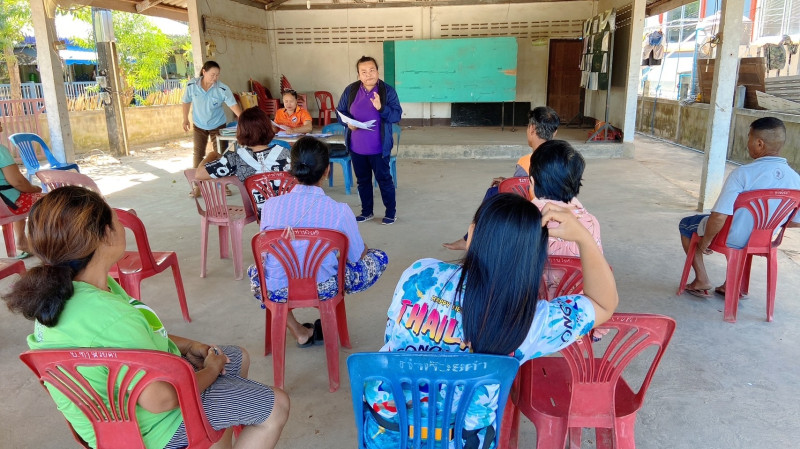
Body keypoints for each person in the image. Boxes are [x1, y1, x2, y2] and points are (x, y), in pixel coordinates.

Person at [3, 186, 289, 449]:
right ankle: (205, 428)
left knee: (235, 357)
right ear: (105, 235)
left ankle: (214, 433)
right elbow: (161, 399)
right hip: (149, 429)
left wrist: (188, 346)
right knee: (277, 405)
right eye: (116, 218)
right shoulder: (112, 316)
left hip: (101, 423)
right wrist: (210, 371)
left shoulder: (59, 294)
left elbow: (128, 341)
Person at [362, 193, 618, 449]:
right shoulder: (531, 321)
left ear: (472, 234)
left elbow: (391, 337)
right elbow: (603, 303)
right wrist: (584, 238)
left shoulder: (419, 273)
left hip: (384, 434)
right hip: (462, 442)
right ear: (535, 257)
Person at [248, 137, 389, 347]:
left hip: (276, 288)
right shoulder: (339, 211)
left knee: (258, 272)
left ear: (292, 168)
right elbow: (355, 256)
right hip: (323, 287)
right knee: (377, 256)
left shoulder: (270, 206)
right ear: (327, 171)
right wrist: (364, 249)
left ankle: (298, 330)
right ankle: (328, 313)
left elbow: (266, 253)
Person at [679, 117, 800, 298]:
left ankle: (701, 279)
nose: (747, 143)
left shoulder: (742, 174)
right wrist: (766, 225)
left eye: (749, 137)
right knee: (745, 228)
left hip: (730, 237)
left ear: (759, 143)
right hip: (764, 240)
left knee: (686, 224)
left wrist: (705, 242)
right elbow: (796, 222)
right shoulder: (796, 180)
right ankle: (731, 284)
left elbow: (719, 216)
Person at [443, 106, 560, 250]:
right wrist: (508, 182)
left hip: (528, 213)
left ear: (532, 129)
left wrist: (506, 185)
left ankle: (471, 238)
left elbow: (521, 191)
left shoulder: (526, 161)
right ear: (555, 132)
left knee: (492, 193)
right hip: (555, 211)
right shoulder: (561, 160)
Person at [337, 56, 402, 225]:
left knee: (384, 181)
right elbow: (340, 112)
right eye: (364, 72)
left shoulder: (387, 91)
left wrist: (381, 108)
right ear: (359, 75)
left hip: (379, 148)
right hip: (356, 148)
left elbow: (396, 115)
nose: (368, 75)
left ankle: (390, 213)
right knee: (363, 181)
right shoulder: (351, 90)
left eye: (372, 70)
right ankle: (367, 212)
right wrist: (348, 123)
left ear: (378, 72)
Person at [196, 107, 290, 212]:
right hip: (292, 212)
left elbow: (199, 174)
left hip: (264, 216)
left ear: (241, 131)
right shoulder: (286, 153)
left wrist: (212, 155)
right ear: (268, 128)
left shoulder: (236, 159)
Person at [182, 61, 243, 195]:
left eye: (217, 75)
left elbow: (233, 105)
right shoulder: (192, 85)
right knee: (198, 153)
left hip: (217, 125)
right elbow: (186, 101)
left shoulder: (222, 89)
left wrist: (244, 121)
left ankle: (224, 185)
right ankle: (198, 186)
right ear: (204, 72)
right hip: (199, 125)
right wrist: (185, 118)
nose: (215, 78)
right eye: (212, 74)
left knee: (220, 154)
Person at [0, 121, 44, 259]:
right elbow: (18, 182)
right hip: (5, 205)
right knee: (50, 201)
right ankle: (48, 243)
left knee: (21, 197)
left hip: (6, 202)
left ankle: (21, 241)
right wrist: (34, 188)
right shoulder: (0, 151)